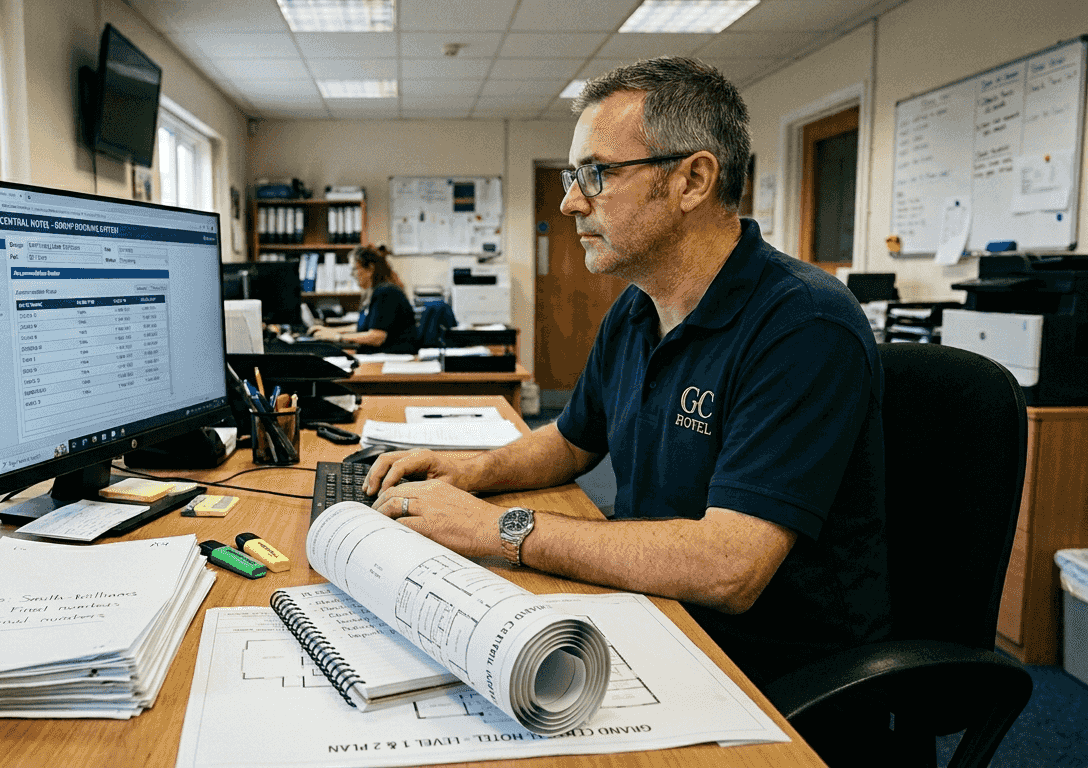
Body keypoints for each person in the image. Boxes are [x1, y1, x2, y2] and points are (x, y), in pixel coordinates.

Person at [363, 57, 891, 688]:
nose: (568, 201)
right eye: (571, 175)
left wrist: (496, 526)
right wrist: (471, 471)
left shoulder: (804, 326)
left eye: (597, 174)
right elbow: (572, 440)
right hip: (652, 609)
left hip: (766, 668)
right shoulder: (639, 308)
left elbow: (729, 568)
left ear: (693, 180)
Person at [309, 244, 419, 354]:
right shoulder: (375, 291)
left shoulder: (386, 293)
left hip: (393, 356)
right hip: (382, 354)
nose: (352, 275)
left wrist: (339, 337)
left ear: (370, 269)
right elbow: (362, 326)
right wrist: (330, 331)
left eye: (354, 270)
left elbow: (377, 337)